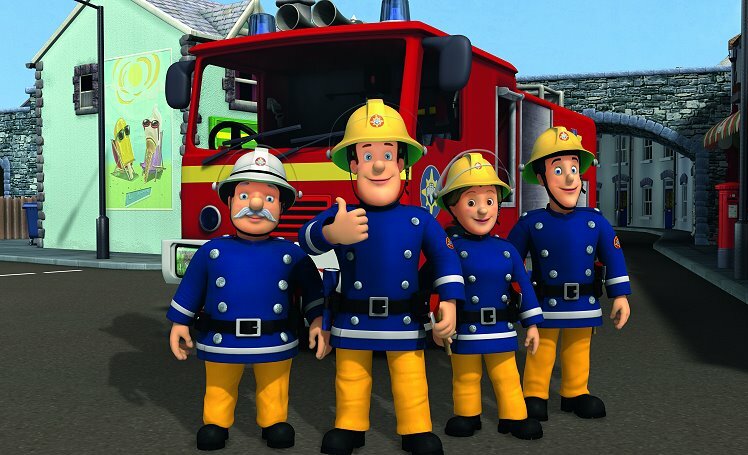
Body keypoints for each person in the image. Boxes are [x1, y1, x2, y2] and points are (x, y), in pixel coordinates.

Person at [298, 99, 464, 455]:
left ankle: (416, 429)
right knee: (350, 377)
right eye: (368, 155)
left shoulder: (418, 219)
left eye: (387, 155)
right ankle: (349, 426)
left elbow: (445, 257)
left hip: (404, 318)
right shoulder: (342, 214)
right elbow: (305, 238)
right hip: (352, 317)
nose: (377, 165)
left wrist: (449, 302)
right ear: (354, 164)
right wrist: (332, 233)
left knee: (410, 377)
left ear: (401, 164)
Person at [166, 148, 330, 451]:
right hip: (222, 336)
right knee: (219, 382)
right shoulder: (211, 251)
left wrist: (318, 320)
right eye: (244, 196)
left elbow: (311, 289)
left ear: (282, 206)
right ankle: (216, 422)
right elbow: (192, 288)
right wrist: (180, 323)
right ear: (229, 201)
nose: (256, 205)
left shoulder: (291, 253)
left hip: (275, 336)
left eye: (269, 198)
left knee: (275, 382)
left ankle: (274, 421)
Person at [507, 127, 631, 422]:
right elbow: (508, 261)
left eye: (574, 169)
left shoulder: (595, 221)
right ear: (541, 179)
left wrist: (620, 295)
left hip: (584, 302)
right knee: (541, 349)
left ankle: (575, 392)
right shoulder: (530, 223)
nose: (569, 178)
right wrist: (509, 296)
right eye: (558, 170)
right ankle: (535, 393)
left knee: (578, 349)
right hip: (545, 303)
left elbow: (613, 256)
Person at [431, 151, 544, 440]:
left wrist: (532, 324)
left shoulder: (506, 250)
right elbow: (434, 285)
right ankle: (467, 414)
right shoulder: (448, 249)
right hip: (464, 328)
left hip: (501, 328)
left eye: (490, 201)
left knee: (507, 375)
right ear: (452, 207)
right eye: (471, 202)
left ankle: (514, 416)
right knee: (465, 376)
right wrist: (435, 320)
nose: (483, 210)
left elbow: (524, 287)